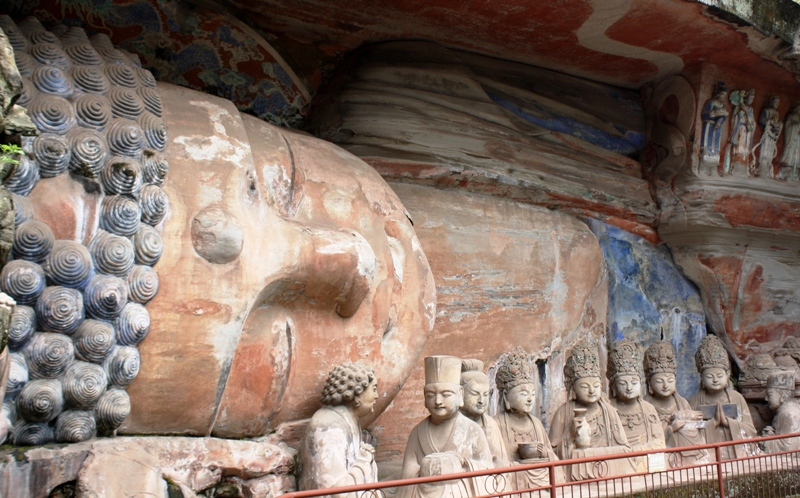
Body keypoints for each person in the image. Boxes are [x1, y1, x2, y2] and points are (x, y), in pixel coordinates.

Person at [398, 356, 493, 498]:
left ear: (460, 395)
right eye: (431, 395)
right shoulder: (417, 432)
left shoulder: (472, 430)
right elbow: (408, 469)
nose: (437, 401)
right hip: (424, 491)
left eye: (446, 394)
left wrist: (461, 465)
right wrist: (426, 468)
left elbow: (487, 468)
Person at [549, 341, 635, 481]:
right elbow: (552, 454)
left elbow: (625, 448)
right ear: (573, 389)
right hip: (578, 476)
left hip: (609, 472)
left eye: (596, 385)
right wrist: (570, 437)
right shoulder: (563, 413)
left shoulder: (609, 411)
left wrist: (597, 454)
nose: (591, 391)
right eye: (584, 386)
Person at [298, 362, 379, 495]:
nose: (376, 396)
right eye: (374, 389)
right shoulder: (330, 427)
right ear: (356, 394)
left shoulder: (349, 420)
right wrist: (363, 461)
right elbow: (334, 490)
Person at [493, 348, 562, 489]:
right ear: (506, 396)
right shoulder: (496, 424)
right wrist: (518, 466)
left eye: (532, 393)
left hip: (540, 478)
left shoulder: (535, 423)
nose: (530, 399)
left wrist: (544, 452)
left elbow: (552, 456)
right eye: (523, 393)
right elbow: (495, 463)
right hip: (515, 481)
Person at [689, 335, 757, 460]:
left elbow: (751, 431)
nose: (715, 380)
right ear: (702, 378)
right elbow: (690, 434)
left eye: (719, 375)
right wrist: (712, 424)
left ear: (727, 375)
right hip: (709, 458)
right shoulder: (695, 400)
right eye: (709, 376)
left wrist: (729, 423)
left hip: (735, 455)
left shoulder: (737, 398)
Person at [643, 341, 708, 467]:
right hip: (660, 460)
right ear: (649, 383)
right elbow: (647, 438)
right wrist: (671, 429)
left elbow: (698, 433)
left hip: (686, 458)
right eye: (659, 381)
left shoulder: (682, 402)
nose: (665, 385)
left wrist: (690, 417)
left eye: (670, 380)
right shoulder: (645, 406)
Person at [607, 339, 665, 472]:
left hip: (647, 464)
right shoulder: (608, 410)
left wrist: (634, 451)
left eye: (633, 382)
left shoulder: (648, 408)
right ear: (614, 387)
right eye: (622, 384)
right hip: (619, 469)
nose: (628, 388)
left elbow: (659, 442)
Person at [459, 359, 507, 467]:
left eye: (485, 394)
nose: (481, 400)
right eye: (475, 394)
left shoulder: (491, 424)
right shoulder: (454, 424)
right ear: (460, 393)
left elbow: (503, 462)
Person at [761, 370, 800, 453]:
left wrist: (766, 441)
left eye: (770, 394)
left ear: (782, 394)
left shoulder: (789, 413)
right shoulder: (783, 411)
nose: (766, 399)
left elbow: (787, 447)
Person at [700, 81, 729, 170]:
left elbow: (724, 116)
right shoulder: (711, 102)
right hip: (709, 125)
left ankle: (714, 161)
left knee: (716, 144)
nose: (724, 97)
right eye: (722, 94)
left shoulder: (722, 105)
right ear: (718, 94)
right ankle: (705, 159)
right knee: (707, 143)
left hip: (717, 127)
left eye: (725, 95)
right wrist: (715, 113)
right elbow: (704, 114)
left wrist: (721, 119)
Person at [752, 96, 782, 178]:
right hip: (766, 133)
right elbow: (761, 120)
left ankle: (768, 169)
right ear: (772, 102)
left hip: (772, 135)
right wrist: (769, 122)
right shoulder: (766, 110)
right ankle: (762, 168)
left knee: (770, 151)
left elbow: (777, 124)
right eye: (776, 102)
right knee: (764, 150)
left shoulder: (776, 113)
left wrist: (775, 126)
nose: (777, 104)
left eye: (778, 103)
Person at [779, 104, 800, 181]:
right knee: (790, 151)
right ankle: (787, 168)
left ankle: (796, 170)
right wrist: (797, 126)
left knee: (797, 154)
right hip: (792, 137)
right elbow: (787, 126)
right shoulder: (791, 115)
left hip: (798, 140)